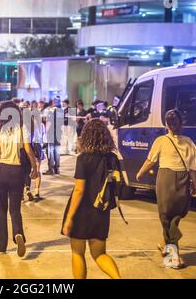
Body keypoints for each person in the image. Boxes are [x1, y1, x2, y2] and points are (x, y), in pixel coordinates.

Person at [136, 109, 196, 269]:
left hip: (165, 180)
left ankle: (172, 257)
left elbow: (150, 160)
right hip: (183, 180)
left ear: (166, 124)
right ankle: (169, 250)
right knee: (176, 217)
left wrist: (140, 173)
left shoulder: (161, 141)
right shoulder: (188, 142)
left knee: (166, 219)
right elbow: (192, 166)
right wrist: (194, 183)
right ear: (181, 124)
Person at [61, 119, 121, 279]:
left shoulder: (84, 158)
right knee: (100, 254)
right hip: (101, 211)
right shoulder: (112, 158)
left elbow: (79, 190)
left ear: (86, 136)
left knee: (77, 253)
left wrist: (69, 218)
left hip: (82, 211)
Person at [0, 101, 38, 257]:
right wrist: (34, 168)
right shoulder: (21, 128)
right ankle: (18, 234)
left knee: (1, 209)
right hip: (17, 171)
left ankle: (1, 245)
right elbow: (29, 150)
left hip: (1, 171)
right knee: (15, 209)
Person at [23, 100, 45, 201]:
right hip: (38, 147)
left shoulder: (27, 125)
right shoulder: (41, 125)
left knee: (26, 170)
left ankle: (25, 188)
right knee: (37, 169)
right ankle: (36, 191)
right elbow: (44, 137)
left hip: (29, 146)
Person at [43, 98, 62, 175]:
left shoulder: (50, 111)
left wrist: (44, 132)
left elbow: (49, 122)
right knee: (57, 151)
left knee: (50, 151)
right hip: (58, 133)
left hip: (51, 133)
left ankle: (51, 169)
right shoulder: (60, 111)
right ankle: (57, 168)